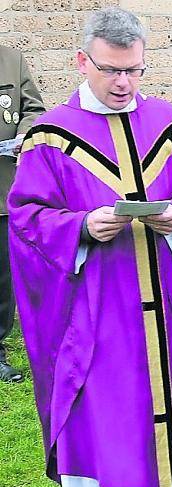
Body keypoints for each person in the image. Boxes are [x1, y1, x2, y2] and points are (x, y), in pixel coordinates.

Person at [9, 8, 172, 487]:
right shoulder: (49, 139)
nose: (124, 82)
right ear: (81, 61)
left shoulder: (171, 125)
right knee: (110, 434)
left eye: (133, 70)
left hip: (171, 320)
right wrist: (83, 228)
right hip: (97, 324)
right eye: (112, 70)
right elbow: (27, 221)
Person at [0, 44, 44, 383]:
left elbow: (33, 108)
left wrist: (22, 133)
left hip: (3, 191)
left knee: (3, 279)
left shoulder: (11, 60)